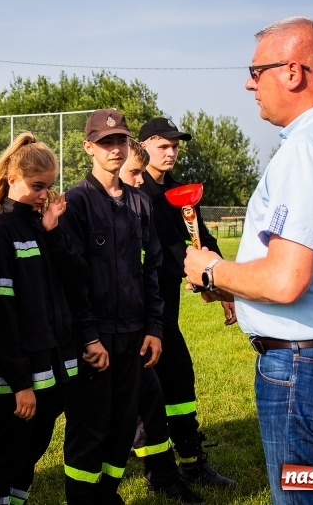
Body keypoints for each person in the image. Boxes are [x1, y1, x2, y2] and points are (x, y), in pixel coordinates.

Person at [184, 16, 313, 505]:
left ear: (292, 72)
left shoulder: (309, 152)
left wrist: (210, 269)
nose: (249, 83)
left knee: (301, 497)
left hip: (304, 365)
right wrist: (232, 285)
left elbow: (284, 280)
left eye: (256, 71)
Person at [0, 132, 84, 505]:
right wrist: (19, 384)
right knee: (6, 454)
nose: (43, 195)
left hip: (51, 366)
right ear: (12, 178)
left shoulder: (40, 224)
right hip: (19, 373)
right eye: (36, 186)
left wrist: (52, 233)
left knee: (29, 453)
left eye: (48, 187)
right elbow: (0, 315)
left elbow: (72, 280)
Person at [60, 109, 163, 505]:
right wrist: (88, 336)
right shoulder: (77, 202)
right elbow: (73, 279)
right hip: (95, 338)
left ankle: (106, 496)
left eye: (119, 140)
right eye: (105, 142)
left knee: (122, 426)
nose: (114, 148)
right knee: (90, 426)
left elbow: (151, 269)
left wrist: (153, 327)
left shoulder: (140, 202)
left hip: (134, 334)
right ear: (88, 147)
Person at [138, 117, 236, 488]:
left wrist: (224, 283)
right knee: (143, 395)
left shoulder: (181, 194)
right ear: (143, 145)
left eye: (175, 146)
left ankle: (192, 463)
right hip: (139, 311)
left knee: (179, 383)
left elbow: (205, 240)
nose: (171, 151)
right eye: (163, 145)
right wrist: (198, 272)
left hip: (167, 313)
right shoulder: (136, 192)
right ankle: (156, 471)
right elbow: (164, 248)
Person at [119, 142, 205, 504]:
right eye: (134, 174)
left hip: (149, 322)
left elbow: (153, 270)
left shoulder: (144, 208)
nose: (142, 181)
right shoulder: (86, 206)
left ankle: (176, 470)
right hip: (108, 331)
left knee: (160, 395)